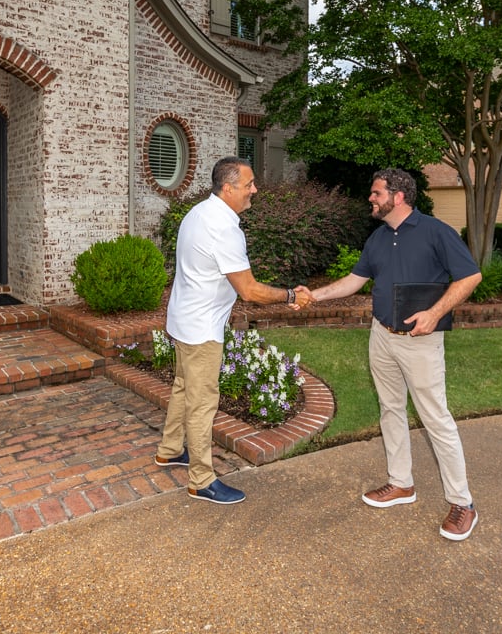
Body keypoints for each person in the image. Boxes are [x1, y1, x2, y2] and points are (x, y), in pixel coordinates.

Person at [310, 168, 483, 540]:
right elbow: (354, 281)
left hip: (420, 341)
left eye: (376, 193)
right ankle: (401, 483)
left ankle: (462, 503)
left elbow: (470, 276)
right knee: (390, 410)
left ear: (398, 196)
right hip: (381, 336)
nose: (370, 199)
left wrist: (434, 313)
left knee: (435, 418)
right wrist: (313, 295)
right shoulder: (377, 238)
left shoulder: (436, 231)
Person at [155, 156, 313, 505]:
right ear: (228, 188)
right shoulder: (224, 228)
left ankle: (168, 449)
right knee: (202, 403)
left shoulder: (198, 213)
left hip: (183, 320)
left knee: (184, 388)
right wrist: (289, 295)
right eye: (248, 184)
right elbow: (250, 290)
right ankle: (201, 480)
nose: (254, 189)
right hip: (201, 329)